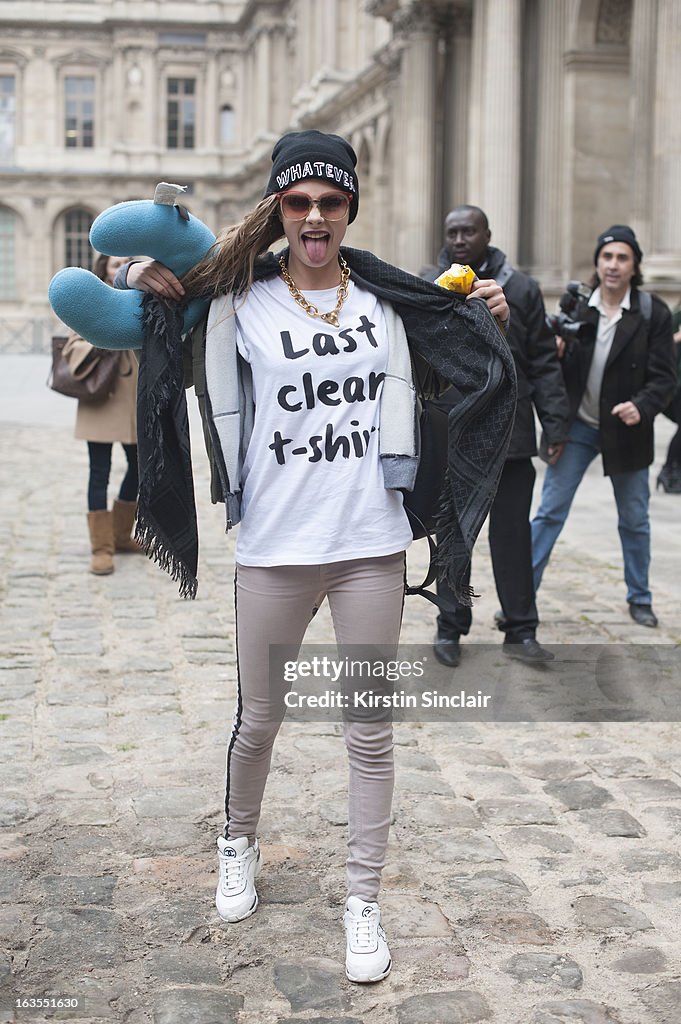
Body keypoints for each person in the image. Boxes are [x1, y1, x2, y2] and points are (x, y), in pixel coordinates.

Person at [110, 130, 514, 983]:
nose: (315, 216)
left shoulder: (387, 302)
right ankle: (236, 844)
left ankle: (362, 901)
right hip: (274, 548)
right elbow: (147, 324)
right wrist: (138, 278)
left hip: (368, 545)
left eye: (330, 201)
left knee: (368, 731)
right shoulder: (235, 305)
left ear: (349, 209)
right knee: (260, 719)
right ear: (278, 212)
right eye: (298, 202)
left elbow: (460, 366)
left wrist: (485, 323)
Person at [427, 205, 570, 665]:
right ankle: (449, 627)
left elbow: (543, 360)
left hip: (511, 434)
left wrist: (556, 422)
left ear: (487, 234)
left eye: (469, 231)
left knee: (512, 537)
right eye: (453, 232)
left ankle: (521, 630)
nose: (461, 239)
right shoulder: (432, 282)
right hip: (454, 430)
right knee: (454, 534)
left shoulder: (522, 288)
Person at [531, 225, 676, 628]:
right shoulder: (577, 308)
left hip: (626, 430)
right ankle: (521, 598)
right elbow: (550, 374)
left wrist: (642, 406)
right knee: (548, 513)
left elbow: (665, 378)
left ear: (634, 265)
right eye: (607, 256)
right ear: (597, 262)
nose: (613, 265)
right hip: (577, 426)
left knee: (635, 518)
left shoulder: (652, 313)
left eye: (622, 258)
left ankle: (640, 597)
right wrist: (557, 352)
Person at [62, 253, 141, 575]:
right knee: (100, 471)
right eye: (114, 263)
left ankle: (121, 535)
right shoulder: (89, 301)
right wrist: (103, 337)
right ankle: (101, 547)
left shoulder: (141, 297)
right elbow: (72, 347)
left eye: (126, 263)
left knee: (138, 468)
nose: (119, 268)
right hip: (101, 399)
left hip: (135, 399)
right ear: (104, 269)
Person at [656, 302, 681, 493]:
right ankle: (669, 470)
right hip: (676, 385)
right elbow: (658, 346)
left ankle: (671, 470)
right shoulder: (675, 318)